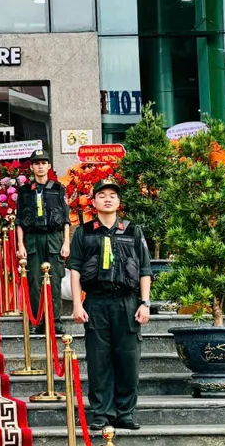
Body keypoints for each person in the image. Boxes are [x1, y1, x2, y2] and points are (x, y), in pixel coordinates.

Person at [67, 178, 153, 431]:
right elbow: (74, 269)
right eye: (101, 195)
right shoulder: (84, 232)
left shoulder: (132, 230)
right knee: (98, 359)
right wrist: (77, 304)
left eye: (112, 195)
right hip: (96, 303)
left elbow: (145, 269)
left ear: (119, 202)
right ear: (93, 202)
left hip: (127, 303)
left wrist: (145, 303)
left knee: (128, 359)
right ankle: (102, 412)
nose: (107, 198)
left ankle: (125, 413)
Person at [15, 149, 71, 321]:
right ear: (31, 167)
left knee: (55, 280)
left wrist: (66, 242)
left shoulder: (57, 188)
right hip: (32, 239)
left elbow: (66, 219)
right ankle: (36, 321)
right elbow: (19, 221)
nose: (40, 166)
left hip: (53, 238)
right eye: (37, 163)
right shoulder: (25, 191)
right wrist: (20, 245)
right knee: (34, 281)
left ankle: (55, 320)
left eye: (43, 163)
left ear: (49, 166)